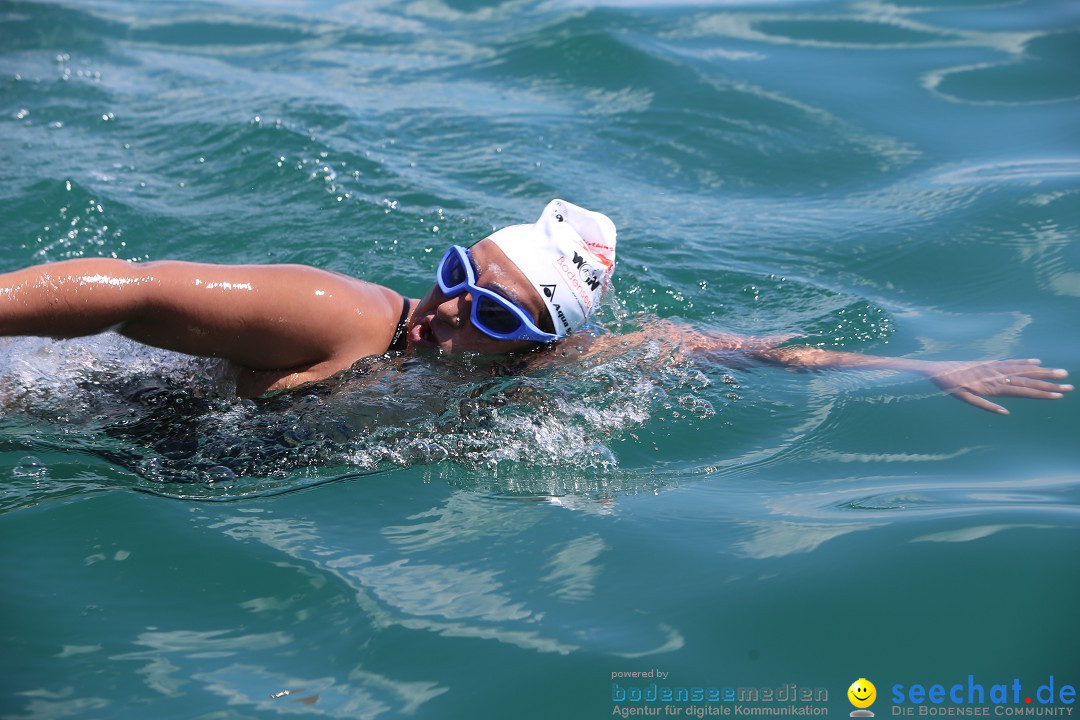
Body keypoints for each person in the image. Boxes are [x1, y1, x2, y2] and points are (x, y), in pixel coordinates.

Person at [0, 199, 1071, 413]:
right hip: (75, 403)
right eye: (458, 279)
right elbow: (133, 289)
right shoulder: (340, 316)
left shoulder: (568, 374)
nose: (449, 317)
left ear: (540, 345)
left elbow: (758, 355)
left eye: (498, 319)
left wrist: (930, 368)